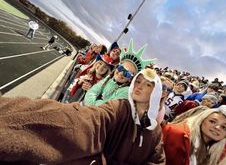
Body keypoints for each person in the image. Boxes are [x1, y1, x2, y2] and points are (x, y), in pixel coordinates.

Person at [0, 68, 165, 165]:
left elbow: (157, 161)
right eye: (138, 81)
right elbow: (84, 121)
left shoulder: (155, 131)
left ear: (156, 93)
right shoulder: (120, 107)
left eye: (148, 84)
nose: (140, 86)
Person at [84, 39, 156, 106]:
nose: (121, 73)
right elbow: (90, 93)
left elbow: (106, 108)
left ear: (131, 79)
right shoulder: (109, 78)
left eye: (127, 73)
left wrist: (93, 100)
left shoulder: (126, 92)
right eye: (121, 68)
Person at [162, 108, 226, 165]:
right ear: (201, 120)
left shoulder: (210, 154)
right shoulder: (177, 133)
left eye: (224, 127)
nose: (217, 127)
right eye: (212, 121)